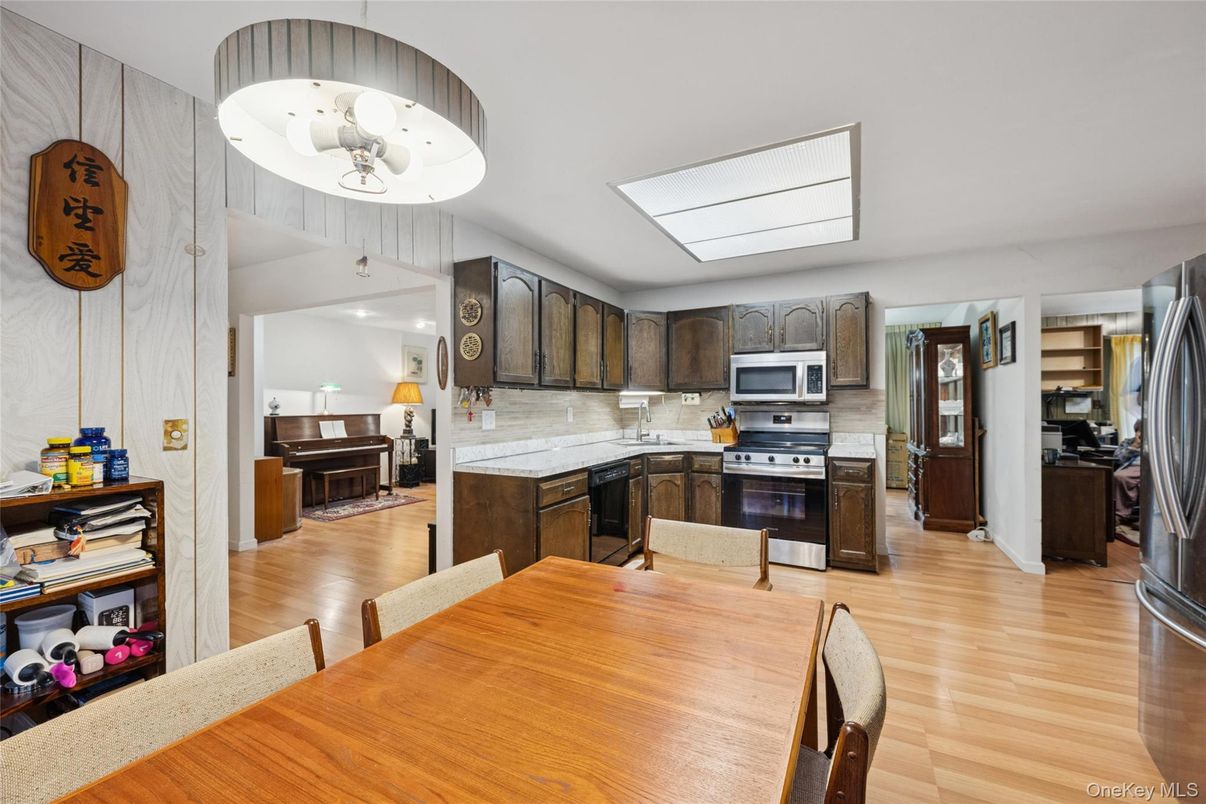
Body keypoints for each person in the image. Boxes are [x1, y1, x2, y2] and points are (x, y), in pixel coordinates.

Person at [1114, 420, 1143, 527]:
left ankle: (1147, 517)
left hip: (1151, 468)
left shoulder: (1160, 442)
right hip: (1131, 468)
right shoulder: (1127, 442)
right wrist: (1135, 446)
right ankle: (1120, 515)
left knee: (1151, 481)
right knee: (1119, 476)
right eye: (1139, 430)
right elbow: (1118, 459)